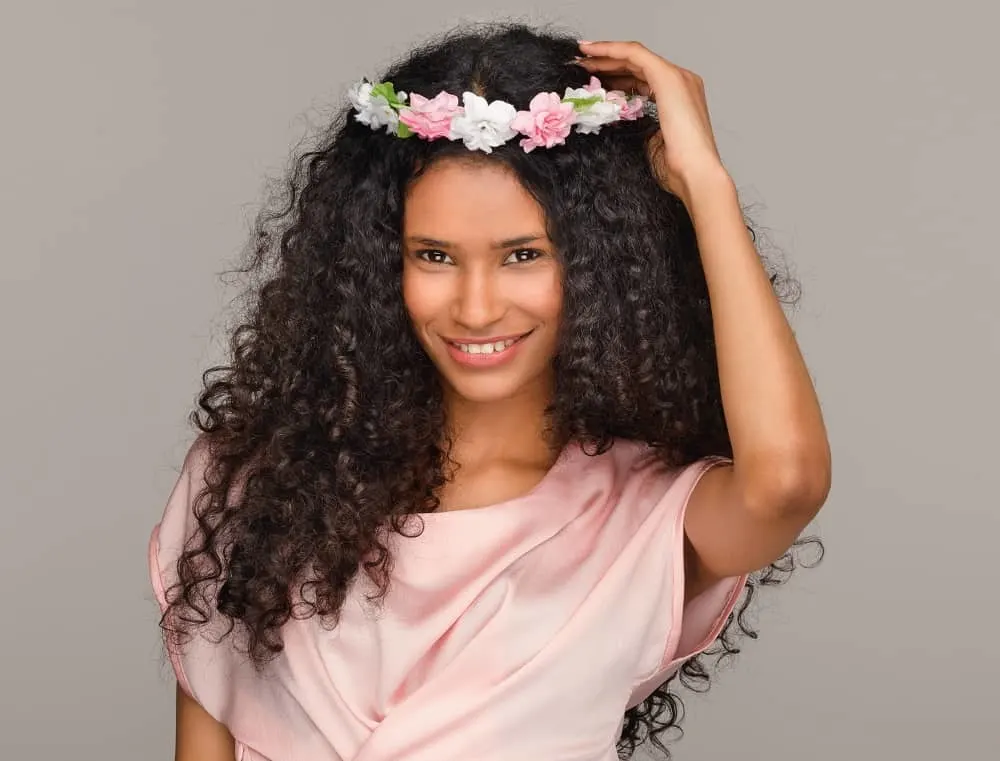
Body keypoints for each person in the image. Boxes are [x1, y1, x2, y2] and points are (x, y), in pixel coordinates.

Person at [148, 22, 830, 761]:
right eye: (434, 255)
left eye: (524, 255)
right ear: (379, 264)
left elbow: (786, 481)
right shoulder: (257, 482)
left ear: (598, 265)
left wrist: (705, 183)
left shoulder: (645, 515)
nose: (476, 308)